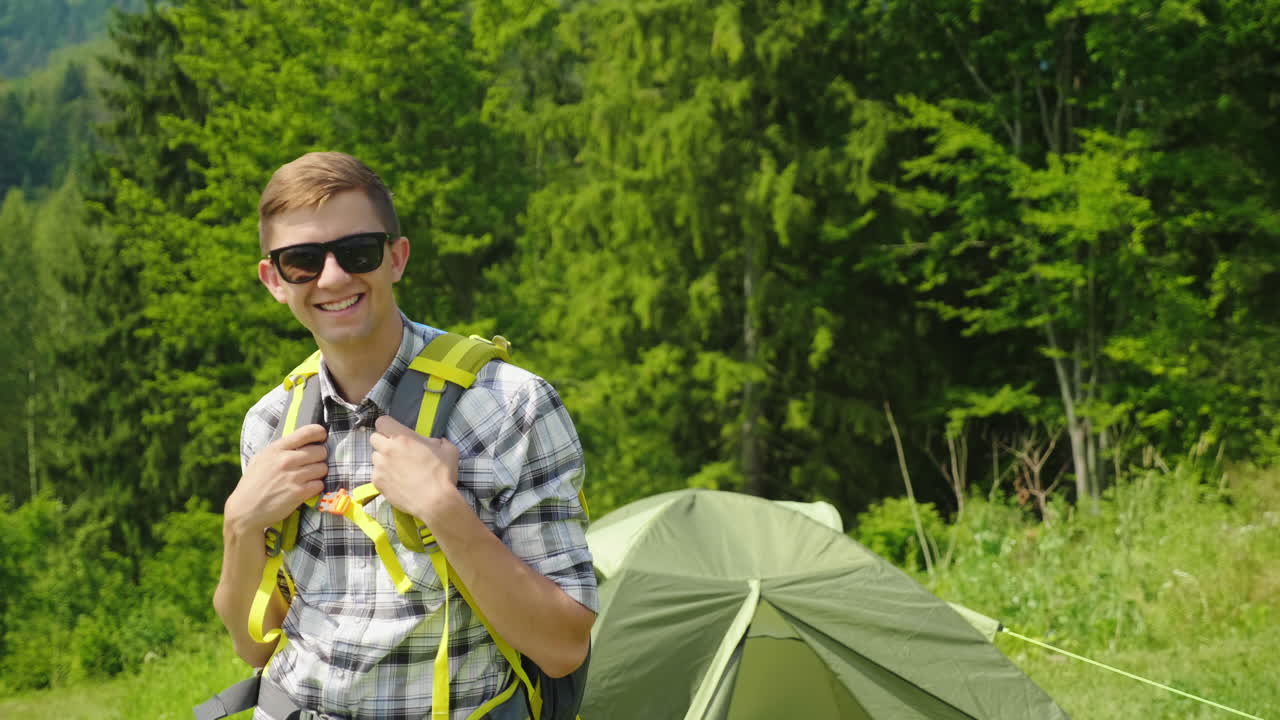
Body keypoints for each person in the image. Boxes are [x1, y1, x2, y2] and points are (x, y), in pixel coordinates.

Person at [213, 151, 597, 719]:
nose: (334, 277)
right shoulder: (272, 423)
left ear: (397, 257)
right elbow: (255, 645)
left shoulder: (511, 406)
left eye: (358, 252)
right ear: (274, 279)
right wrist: (240, 525)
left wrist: (444, 510)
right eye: (303, 261)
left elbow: (564, 647)